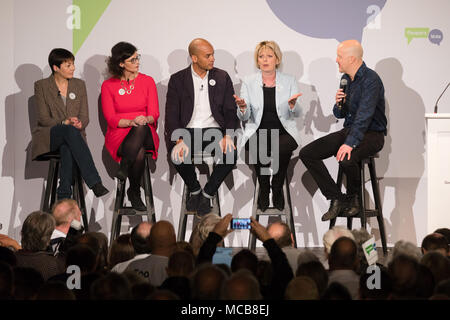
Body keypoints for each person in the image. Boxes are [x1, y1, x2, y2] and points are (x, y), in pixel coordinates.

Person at [299, 39, 387, 221]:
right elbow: (340, 114)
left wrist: (350, 144)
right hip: (350, 130)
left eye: (340, 57)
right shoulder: (346, 79)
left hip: (372, 134)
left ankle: (355, 199)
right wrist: (339, 103)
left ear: (352, 59)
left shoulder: (371, 80)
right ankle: (337, 198)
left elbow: (364, 117)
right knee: (308, 153)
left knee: (346, 158)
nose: (337, 60)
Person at [165, 38, 238, 217]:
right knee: (176, 154)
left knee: (231, 154)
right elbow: (171, 114)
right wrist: (179, 139)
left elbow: (230, 110)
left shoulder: (222, 76)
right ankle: (195, 189)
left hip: (214, 132)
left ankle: (207, 193)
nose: (212, 59)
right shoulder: (178, 80)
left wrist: (228, 135)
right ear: (194, 58)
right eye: (208, 56)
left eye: (213, 54)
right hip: (187, 132)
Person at [32, 48, 109, 200]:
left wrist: (80, 123)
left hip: (73, 137)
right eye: (68, 65)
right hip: (50, 135)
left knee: (67, 145)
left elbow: (85, 116)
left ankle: (64, 194)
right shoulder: (41, 86)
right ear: (56, 68)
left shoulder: (79, 85)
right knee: (67, 131)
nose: (73, 68)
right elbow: (43, 118)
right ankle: (94, 182)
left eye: (73, 64)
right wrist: (64, 122)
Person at [234, 40, 302, 211]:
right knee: (258, 145)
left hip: (284, 132)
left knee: (282, 147)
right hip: (258, 131)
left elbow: (297, 112)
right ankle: (264, 187)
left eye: (269, 56)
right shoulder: (249, 81)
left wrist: (293, 105)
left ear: (277, 59)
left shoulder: (289, 80)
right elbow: (245, 115)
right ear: (257, 61)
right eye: (261, 56)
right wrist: (242, 108)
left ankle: (277, 187)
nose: (265, 60)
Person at [102, 42, 160, 210]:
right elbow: (111, 118)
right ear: (121, 64)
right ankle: (134, 192)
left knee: (140, 128)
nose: (137, 62)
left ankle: (125, 166)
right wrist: (130, 122)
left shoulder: (147, 81)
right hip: (119, 135)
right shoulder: (108, 86)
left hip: (145, 130)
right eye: (133, 59)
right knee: (139, 152)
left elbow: (154, 114)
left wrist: (143, 119)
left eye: (137, 58)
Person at [14, 211, 65, 281]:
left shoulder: (10, 259)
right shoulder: (53, 265)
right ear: (47, 237)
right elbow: (74, 285)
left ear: (23, 232)